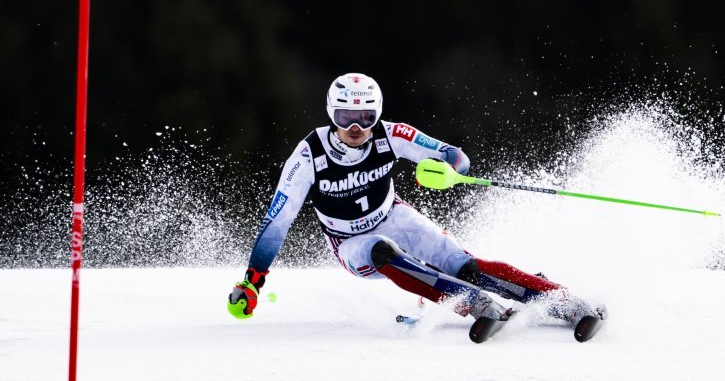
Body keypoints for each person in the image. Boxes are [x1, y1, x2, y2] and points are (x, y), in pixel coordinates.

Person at [228, 73, 606, 341]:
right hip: (349, 242)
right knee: (380, 251)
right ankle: (472, 303)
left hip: (393, 216)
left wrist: (451, 170)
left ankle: (564, 301)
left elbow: (454, 155)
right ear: (332, 114)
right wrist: (253, 280)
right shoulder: (308, 155)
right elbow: (277, 222)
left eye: (366, 117)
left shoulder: (391, 135)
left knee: (464, 265)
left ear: (377, 114)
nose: (356, 128)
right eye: (345, 118)